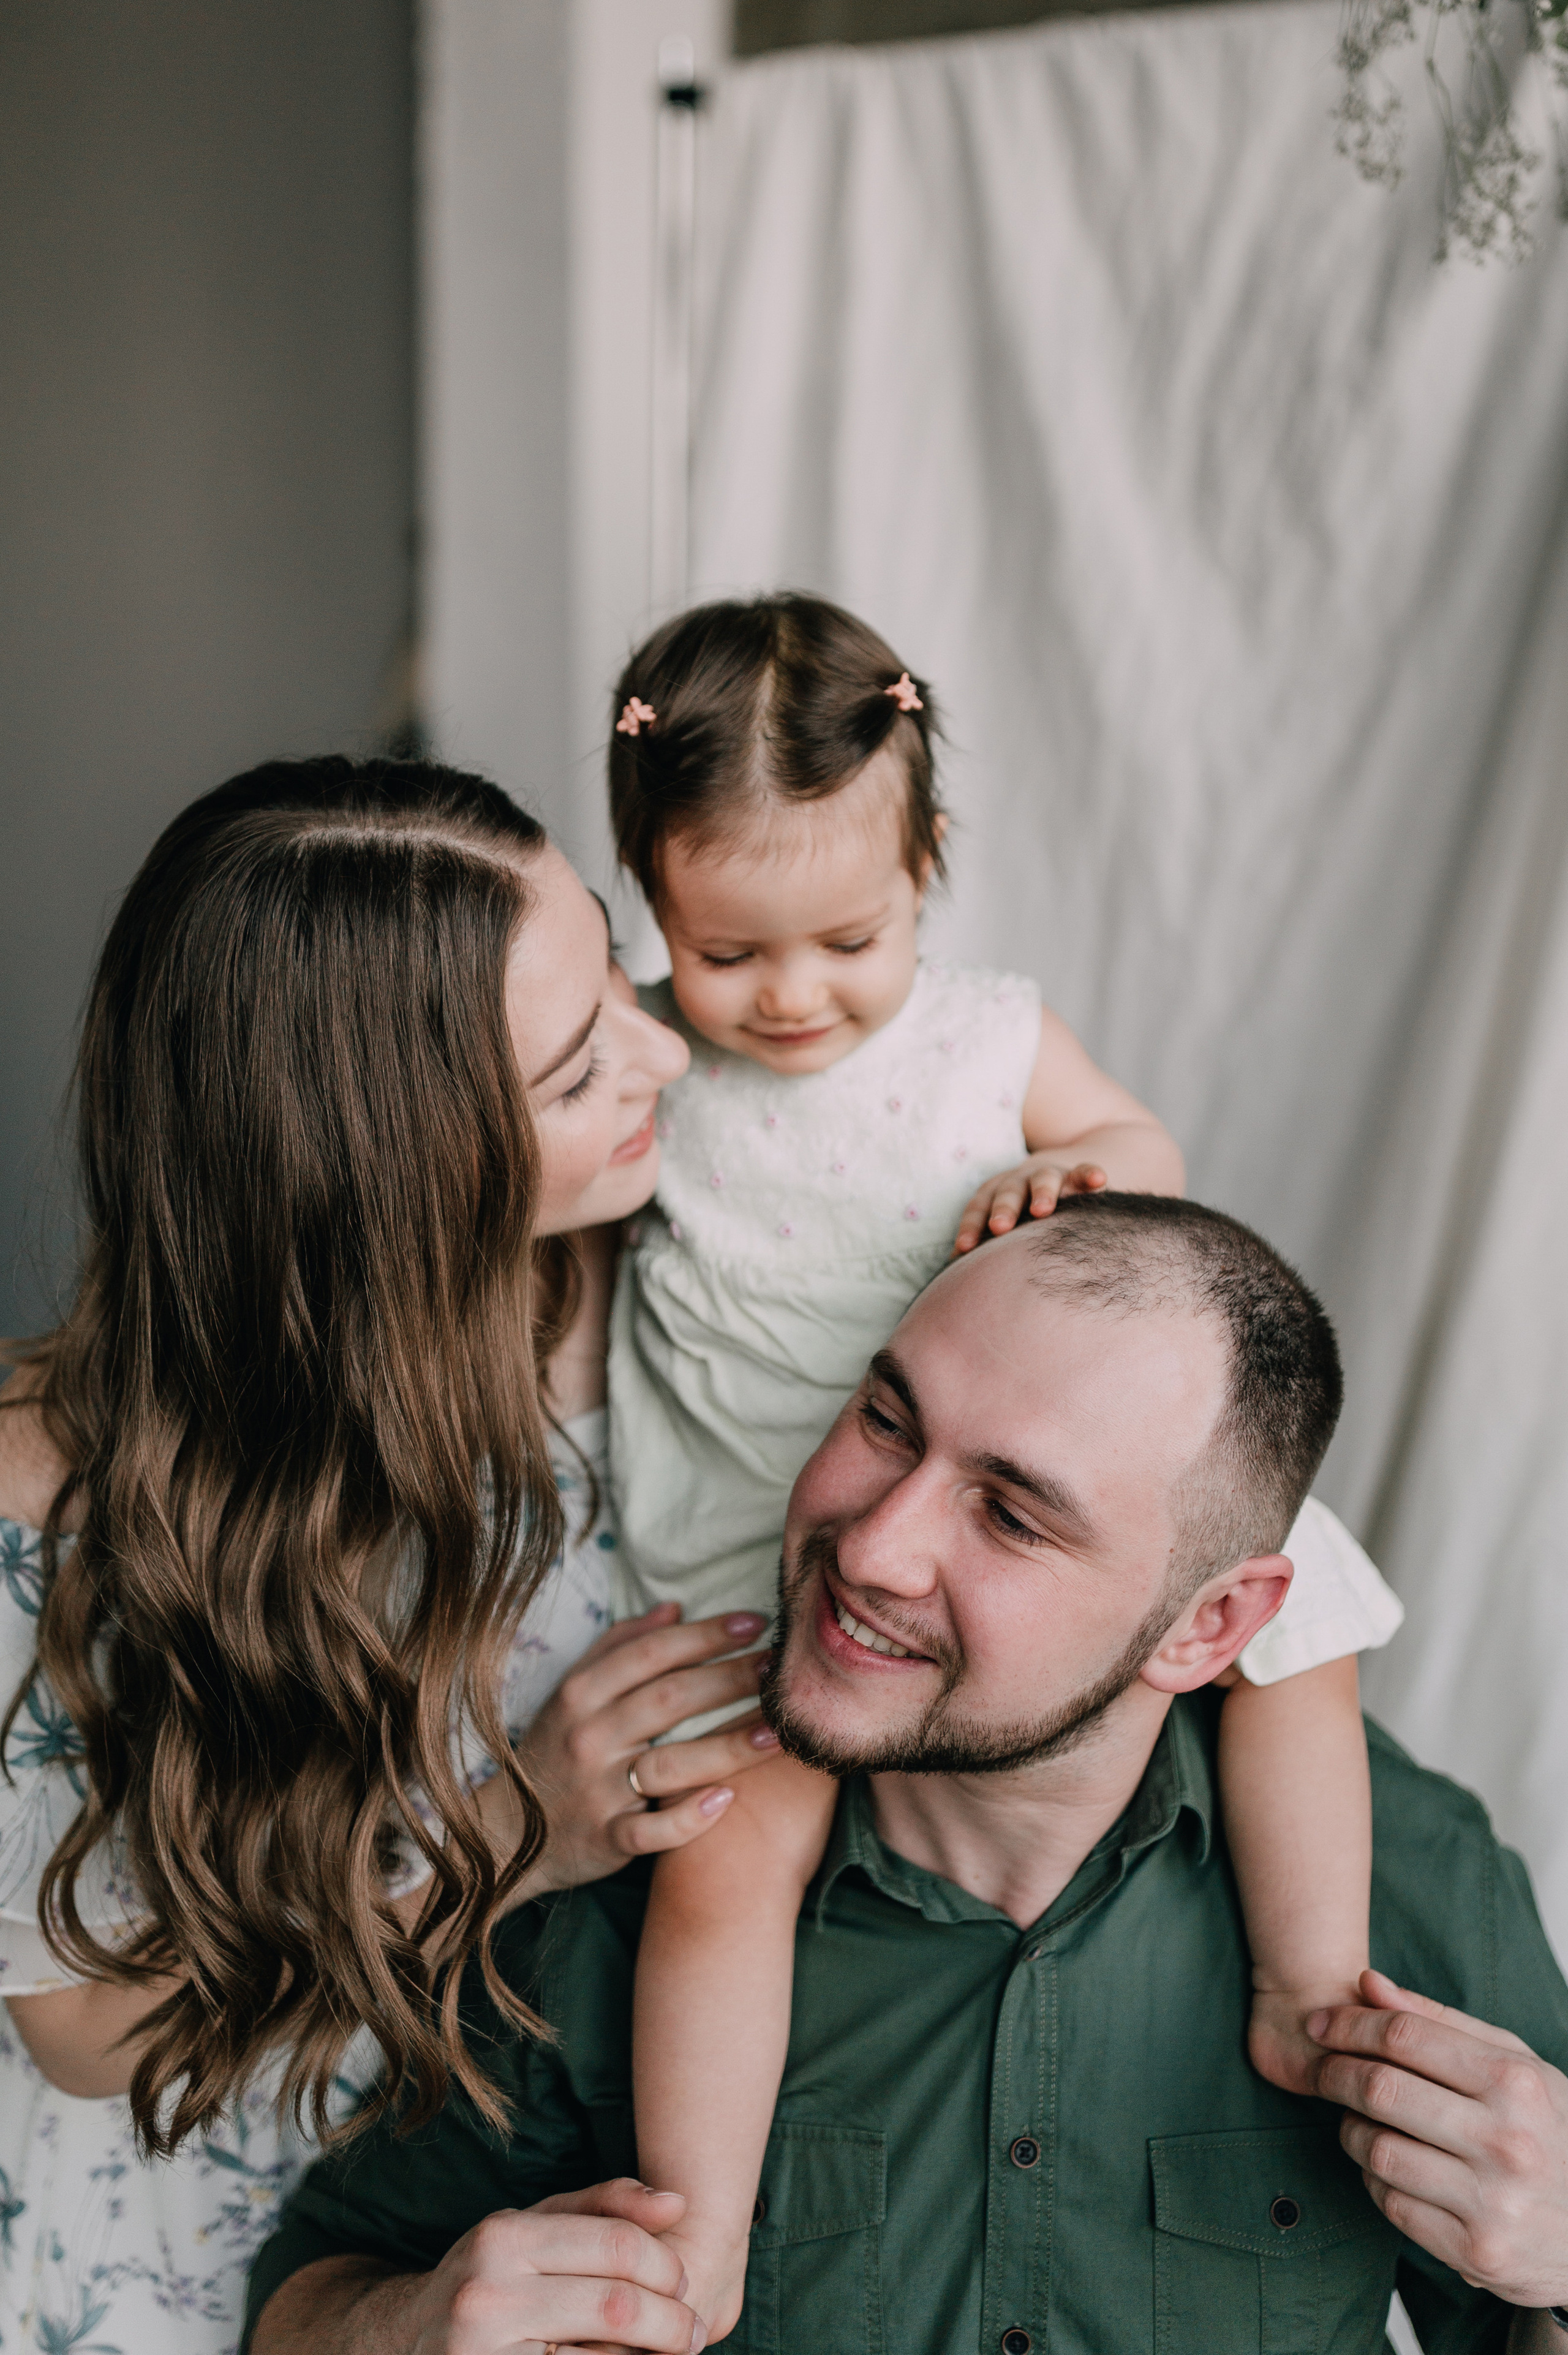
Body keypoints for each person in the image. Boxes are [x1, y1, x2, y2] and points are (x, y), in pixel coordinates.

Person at [242, 1195, 1568, 2355]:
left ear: (1206, 1625)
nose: (871, 1545)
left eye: (1009, 1511)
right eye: (887, 1418)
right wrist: (403, 2328)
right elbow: (311, 2285)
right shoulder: (639, 1844)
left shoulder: (1406, 1885)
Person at [604, 594, 1402, 2327]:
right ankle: (705, 2235)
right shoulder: (650, 1062)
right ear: (651, 903)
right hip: (772, 1521)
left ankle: (1306, 1968)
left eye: (848, 938)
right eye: (731, 954)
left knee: (1298, 1632)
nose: (796, 996)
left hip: (1005, 1444)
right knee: (727, 1860)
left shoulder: (982, 1033)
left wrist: (1076, 1179)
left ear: (931, 862)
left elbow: (1139, 1139)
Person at [0, 757, 781, 2355]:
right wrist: (513, 1826)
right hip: (177, 2259)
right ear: (395, 1191)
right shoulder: (40, 1501)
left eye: (615, 967)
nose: (663, 1053)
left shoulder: (679, 1299)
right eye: (575, 1074)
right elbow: (87, 2031)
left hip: (514, 2202)